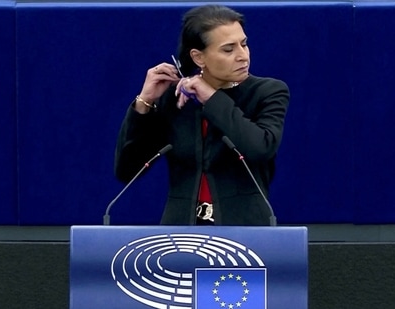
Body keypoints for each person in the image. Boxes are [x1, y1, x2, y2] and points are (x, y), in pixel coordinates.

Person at [114, 4, 290, 226]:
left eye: (244, 44)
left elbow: (259, 148)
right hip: (180, 232)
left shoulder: (268, 92)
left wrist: (212, 97)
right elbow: (127, 170)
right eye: (228, 49)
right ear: (198, 58)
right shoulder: (175, 99)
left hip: (246, 230)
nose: (242, 56)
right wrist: (144, 103)